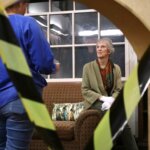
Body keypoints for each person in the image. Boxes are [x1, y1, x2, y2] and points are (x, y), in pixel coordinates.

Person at [0, 0, 59, 149]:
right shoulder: (27, 23)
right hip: (20, 97)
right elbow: (44, 63)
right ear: (20, 4)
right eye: (25, 4)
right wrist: (54, 66)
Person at [81, 38, 138, 150]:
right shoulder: (87, 67)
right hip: (94, 101)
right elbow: (85, 90)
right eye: (97, 47)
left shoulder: (116, 68)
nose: (99, 49)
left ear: (109, 51)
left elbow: (118, 89)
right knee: (111, 113)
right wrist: (102, 98)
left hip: (111, 102)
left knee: (121, 117)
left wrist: (112, 99)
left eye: (102, 47)